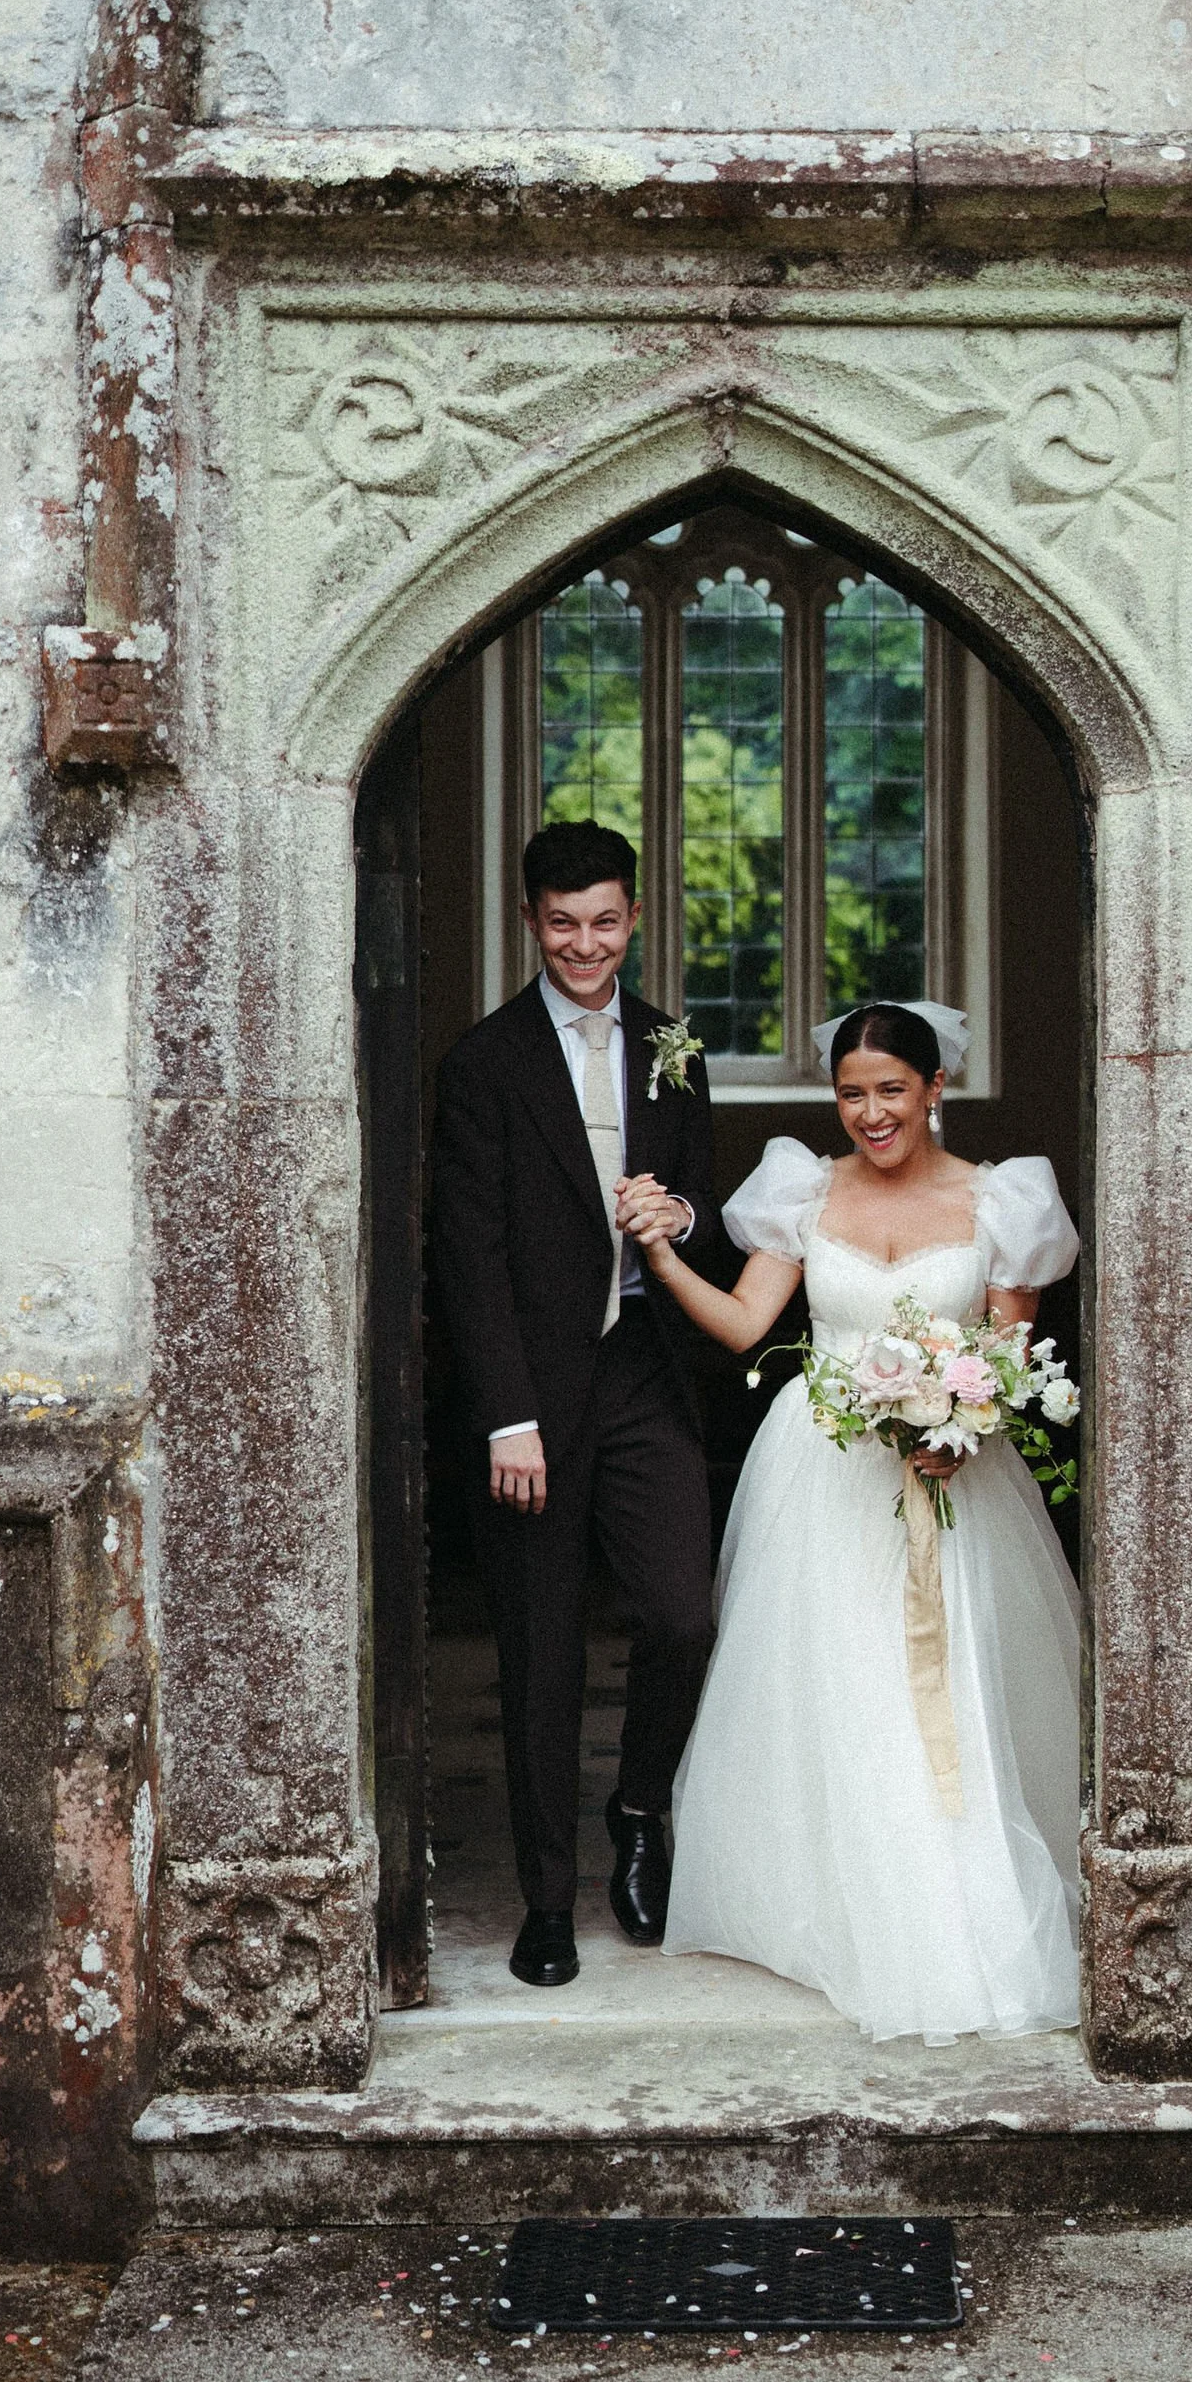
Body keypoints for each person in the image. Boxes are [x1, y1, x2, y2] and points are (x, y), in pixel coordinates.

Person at [616, 998, 1083, 2043]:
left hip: (947, 1475)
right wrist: (660, 1258)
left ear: (932, 1091)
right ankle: (829, 1903)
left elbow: (1005, 1352)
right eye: (849, 1093)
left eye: (889, 1091)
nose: (869, 1114)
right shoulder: (800, 1189)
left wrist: (960, 1427)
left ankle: (943, 1904)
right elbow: (744, 1325)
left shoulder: (1001, 1200)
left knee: (940, 1685)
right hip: (818, 1471)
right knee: (830, 1680)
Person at [430, 820, 723, 1989]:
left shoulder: (674, 1048)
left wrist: (681, 1219)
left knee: (682, 1615)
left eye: (604, 921)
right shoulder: (483, 1063)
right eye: (561, 923)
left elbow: (701, 1191)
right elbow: (467, 1255)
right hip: (534, 1397)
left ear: (634, 919)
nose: (583, 944)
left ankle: (639, 1809)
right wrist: (507, 1415)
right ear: (529, 923)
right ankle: (546, 1903)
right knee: (540, 1653)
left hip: (645, 1371)